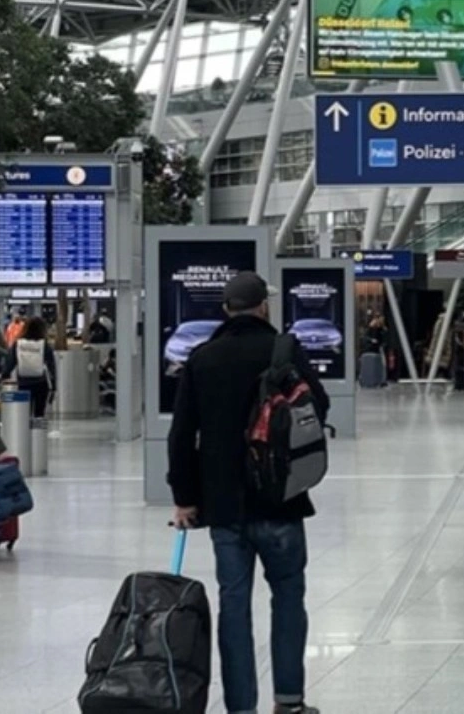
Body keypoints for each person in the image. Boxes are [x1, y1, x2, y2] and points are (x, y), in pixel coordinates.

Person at [167, 272, 329, 714]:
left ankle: (241, 707)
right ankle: (289, 701)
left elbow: (182, 434)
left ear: (226, 309)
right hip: (281, 497)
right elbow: (319, 405)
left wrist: (184, 498)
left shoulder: (202, 358)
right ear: (263, 306)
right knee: (289, 597)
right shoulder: (283, 350)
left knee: (233, 605)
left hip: (225, 506)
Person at [2, 317, 56, 419]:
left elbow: (10, 362)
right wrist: (54, 385)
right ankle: (38, 428)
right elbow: (51, 366)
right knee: (39, 413)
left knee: (24, 413)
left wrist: (4, 375)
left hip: (23, 382)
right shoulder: (44, 345)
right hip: (40, 382)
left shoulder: (18, 344)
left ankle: (26, 428)